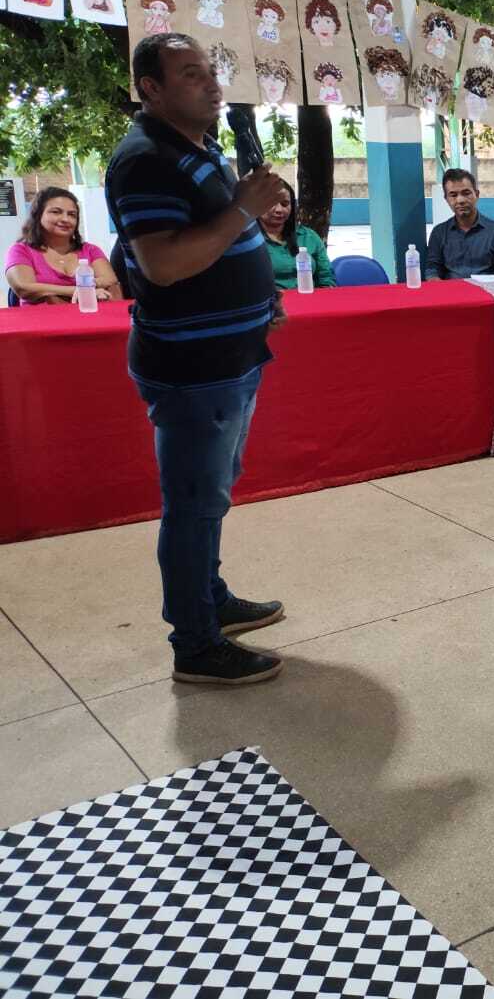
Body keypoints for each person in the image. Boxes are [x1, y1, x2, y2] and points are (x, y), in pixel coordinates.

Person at [106, 33, 287, 685]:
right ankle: (196, 644)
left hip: (232, 354)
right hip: (191, 366)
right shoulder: (144, 160)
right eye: (190, 75)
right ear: (150, 89)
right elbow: (164, 262)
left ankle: (210, 598)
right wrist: (243, 205)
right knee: (192, 501)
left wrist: (261, 295)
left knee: (210, 495)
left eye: (211, 72)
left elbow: (222, 238)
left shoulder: (199, 146)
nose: (211, 84)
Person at [5, 186, 120, 305]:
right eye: (56, 212)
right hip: (39, 320)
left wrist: (46, 290)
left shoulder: (90, 250)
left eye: (72, 214)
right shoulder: (21, 250)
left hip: (90, 318)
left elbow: (110, 280)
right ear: (38, 215)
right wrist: (78, 290)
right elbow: (24, 288)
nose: (65, 219)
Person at [424, 169, 494, 279]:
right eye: (453, 195)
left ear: (477, 194)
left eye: (466, 193)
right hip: (451, 293)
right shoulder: (439, 233)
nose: (460, 200)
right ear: (446, 199)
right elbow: (432, 270)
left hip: (487, 292)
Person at [258, 180, 334, 291]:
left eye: (285, 204)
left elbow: (326, 277)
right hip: (269, 305)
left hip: (310, 303)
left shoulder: (308, 236)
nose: (279, 209)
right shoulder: (246, 240)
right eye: (271, 203)